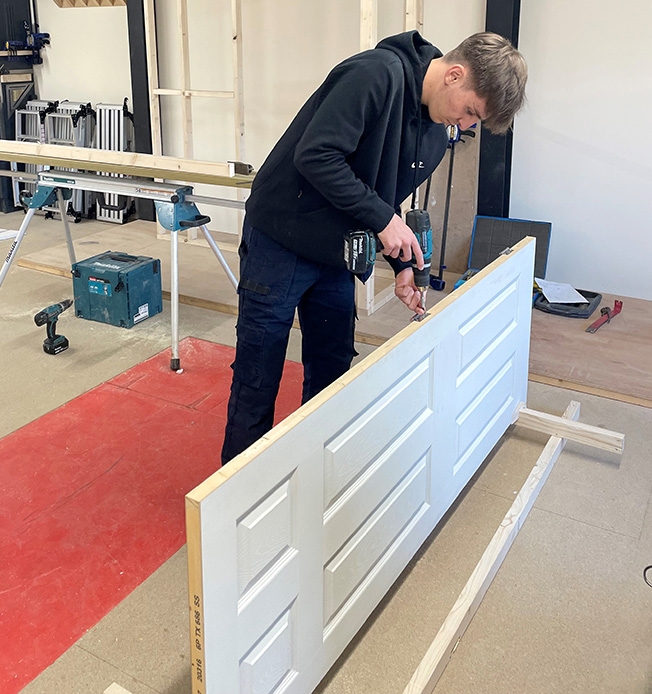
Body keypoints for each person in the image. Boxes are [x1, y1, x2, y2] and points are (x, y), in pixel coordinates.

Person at [221, 30, 527, 464]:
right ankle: (236, 501)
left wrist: (401, 262)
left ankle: (312, 480)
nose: (466, 126)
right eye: (470, 112)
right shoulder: (374, 75)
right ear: (454, 75)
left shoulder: (436, 135)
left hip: (335, 252)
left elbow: (381, 196)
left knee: (332, 374)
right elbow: (317, 155)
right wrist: (385, 221)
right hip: (281, 240)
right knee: (258, 373)